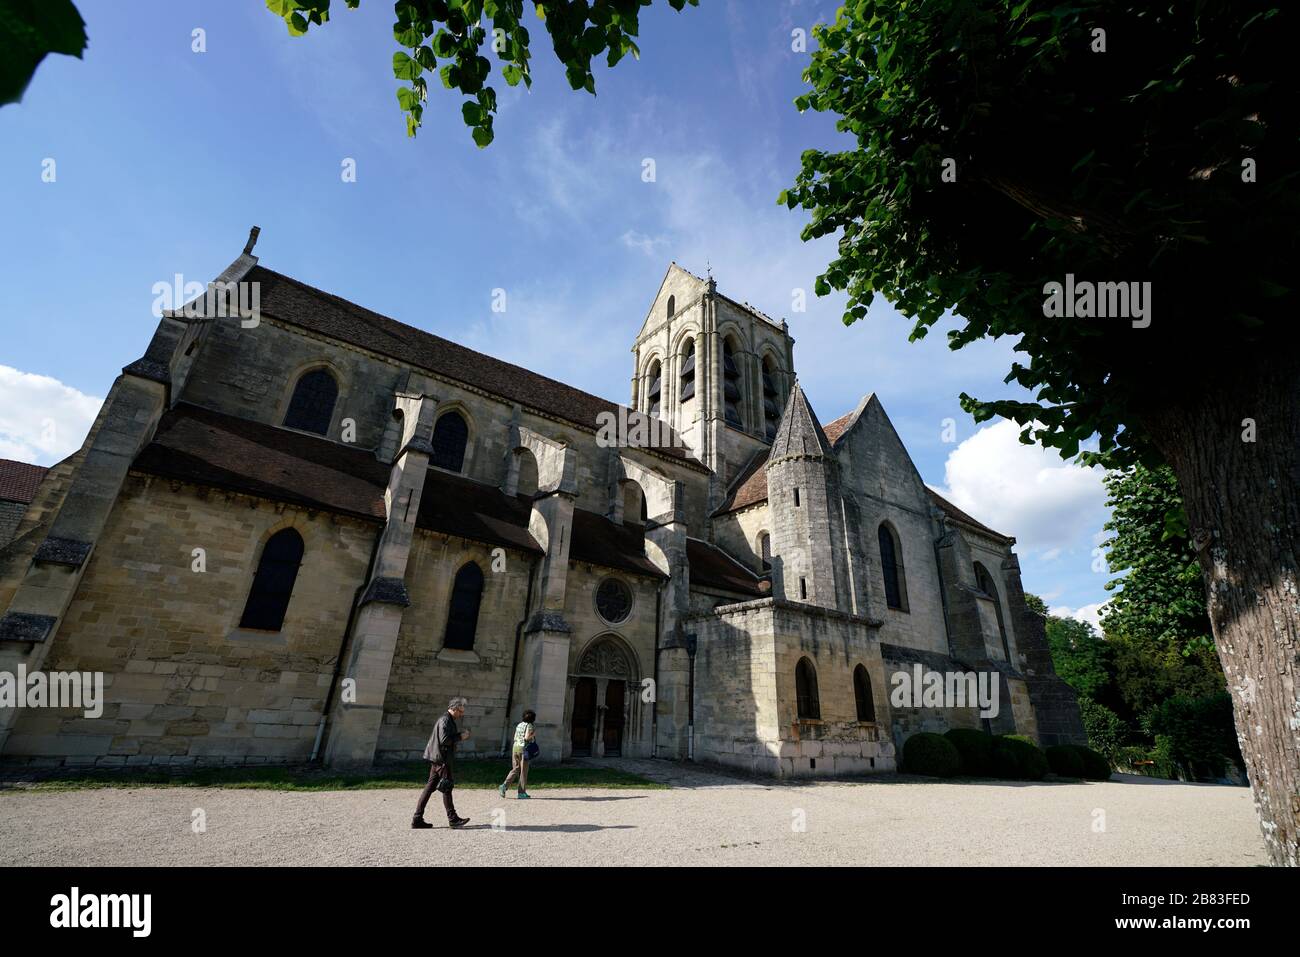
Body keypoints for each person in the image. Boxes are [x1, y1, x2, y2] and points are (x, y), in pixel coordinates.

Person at [412, 696, 471, 829]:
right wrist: (460, 736)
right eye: (460, 711)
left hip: (437, 758)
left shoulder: (447, 720)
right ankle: (453, 819)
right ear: (454, 709)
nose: (462, 714)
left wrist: (458, 736)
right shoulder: (445, 720)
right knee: (447, 787)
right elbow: (445, 740)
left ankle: (417, 818)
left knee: (429, 788)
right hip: (441, 759)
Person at [498, 709, 536, 799]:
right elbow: (526, 738)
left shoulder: (519, 725)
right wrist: (533, 734)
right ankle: (521, 792)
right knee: (523, 771)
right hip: (524, 749)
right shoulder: (529, 726)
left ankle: (504, 785)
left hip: (515, 747)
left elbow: (515, 736)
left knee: (515, 769)